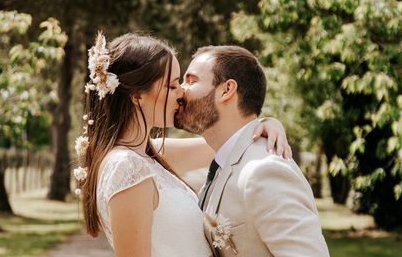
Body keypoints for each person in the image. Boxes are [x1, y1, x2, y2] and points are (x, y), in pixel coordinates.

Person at [75, 33, 291, 257]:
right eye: (172, 85)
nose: (182, 93)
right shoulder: (127, 167)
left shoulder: (149, 154)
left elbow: (228, 141)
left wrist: (265, 123)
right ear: (137, 95)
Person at [175, 45, 330, 257]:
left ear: (227, 90)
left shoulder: (264, 170)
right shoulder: (225, 161)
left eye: (191, 80)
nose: (181, 90)